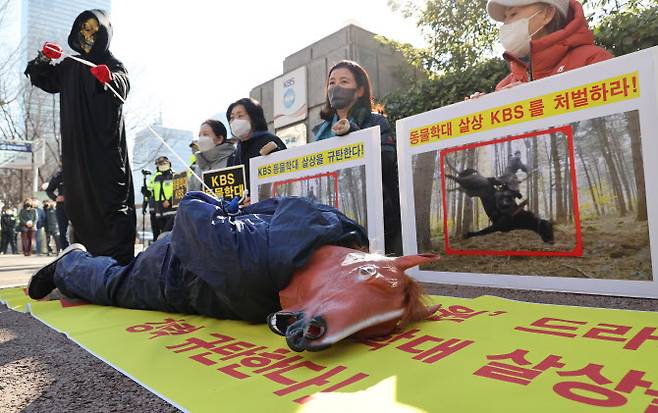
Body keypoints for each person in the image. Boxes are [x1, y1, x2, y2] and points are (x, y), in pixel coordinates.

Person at [27, 193, 367, 325]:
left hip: (190, 261)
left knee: (120, 274)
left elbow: (273, 205)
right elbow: (190, 209)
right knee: (114, 283)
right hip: (169, 274)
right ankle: (69, 263)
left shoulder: (334, 228)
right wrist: (222, 208)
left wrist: (232, 212)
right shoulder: (249, 266)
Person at [24, 9, 136, 265]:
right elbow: (41, 77)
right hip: (76, 152)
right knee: (80, 203)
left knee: (110, 202)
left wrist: (109, 79)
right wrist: (43, 59)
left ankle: (118, 264)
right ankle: (86, 263)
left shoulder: (113, 63)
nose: (89, 34)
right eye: (85, 28)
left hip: (105, 151)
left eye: (95, 30)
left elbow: (123, 85)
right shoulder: (71, 65)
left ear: (105, 33)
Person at [312, 60, 402, 255]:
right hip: (330, 219)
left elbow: (386, 161)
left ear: (360, 90)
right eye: (332, 83)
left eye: (344, 82)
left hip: (376, 217)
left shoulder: (376, 121)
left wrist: (355, 135)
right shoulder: (319, 132)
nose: (335, 87)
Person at [486, 0, 613, 92]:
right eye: (505, 18)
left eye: (513, 14)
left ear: (546, 14)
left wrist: (532, 97)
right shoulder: (505, 85)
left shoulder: (593, 60)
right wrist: (478, 107)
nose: (507, 24)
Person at [227, 98, 286, 196]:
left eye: (240, 116)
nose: (235, 121)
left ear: (254, 117)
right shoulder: (233, 155)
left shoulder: (270, 141)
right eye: (232, 118)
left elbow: (284, 176)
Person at [188, 119, 235, 192]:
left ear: (219, 139)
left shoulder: (233, 161)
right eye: (199, 135)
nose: (201, 139)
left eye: (205, 134)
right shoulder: (198, 169)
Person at [143, 156, 176, 240]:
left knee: (169, 235)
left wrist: (170, 201)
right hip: (159, 211)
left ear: (169, 163)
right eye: (159, 164)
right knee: (158, 237)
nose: (161, 165)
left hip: (172, 212)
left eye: (164, 163)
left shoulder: (175, 176)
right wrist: (146, 195)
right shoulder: (155, 177)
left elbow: (179, 191)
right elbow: (150, 192)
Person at [46, 169, 69, 249]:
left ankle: (80, 252)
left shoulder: (79, 172)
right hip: (62, 206)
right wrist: (55, 198)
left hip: (77, 206)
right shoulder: (59, 176)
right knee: (62, 231)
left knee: (79, 230)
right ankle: (66, 252)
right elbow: (49, 190)